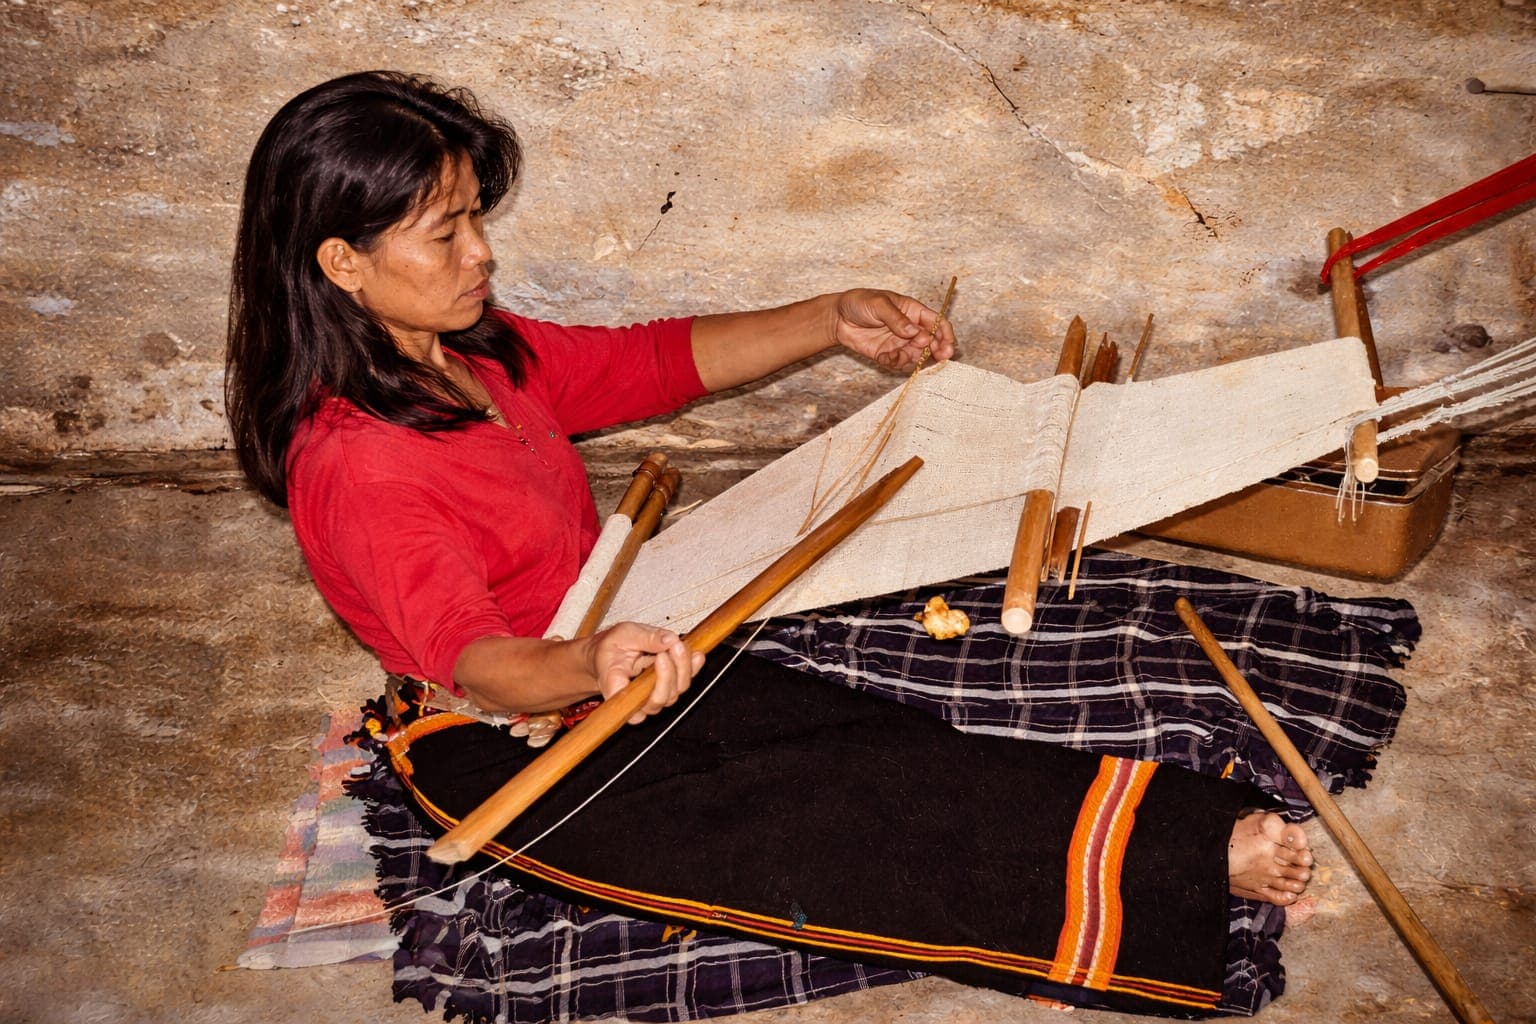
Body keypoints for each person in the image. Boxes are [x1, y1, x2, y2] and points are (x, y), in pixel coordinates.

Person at [225, 70, 1313, 1016]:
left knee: (880, 746)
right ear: (343, 263)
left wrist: (827, 315)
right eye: (446, 231)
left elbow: (641, 363)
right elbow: (474, 658)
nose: (481, 253)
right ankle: (1174, 870)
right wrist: (596, 664)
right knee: (820, 832)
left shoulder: (470, 354)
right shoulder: (357, 464)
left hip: (614, 641)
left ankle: (1171, 829)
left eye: (475, 217)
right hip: (507, 734)